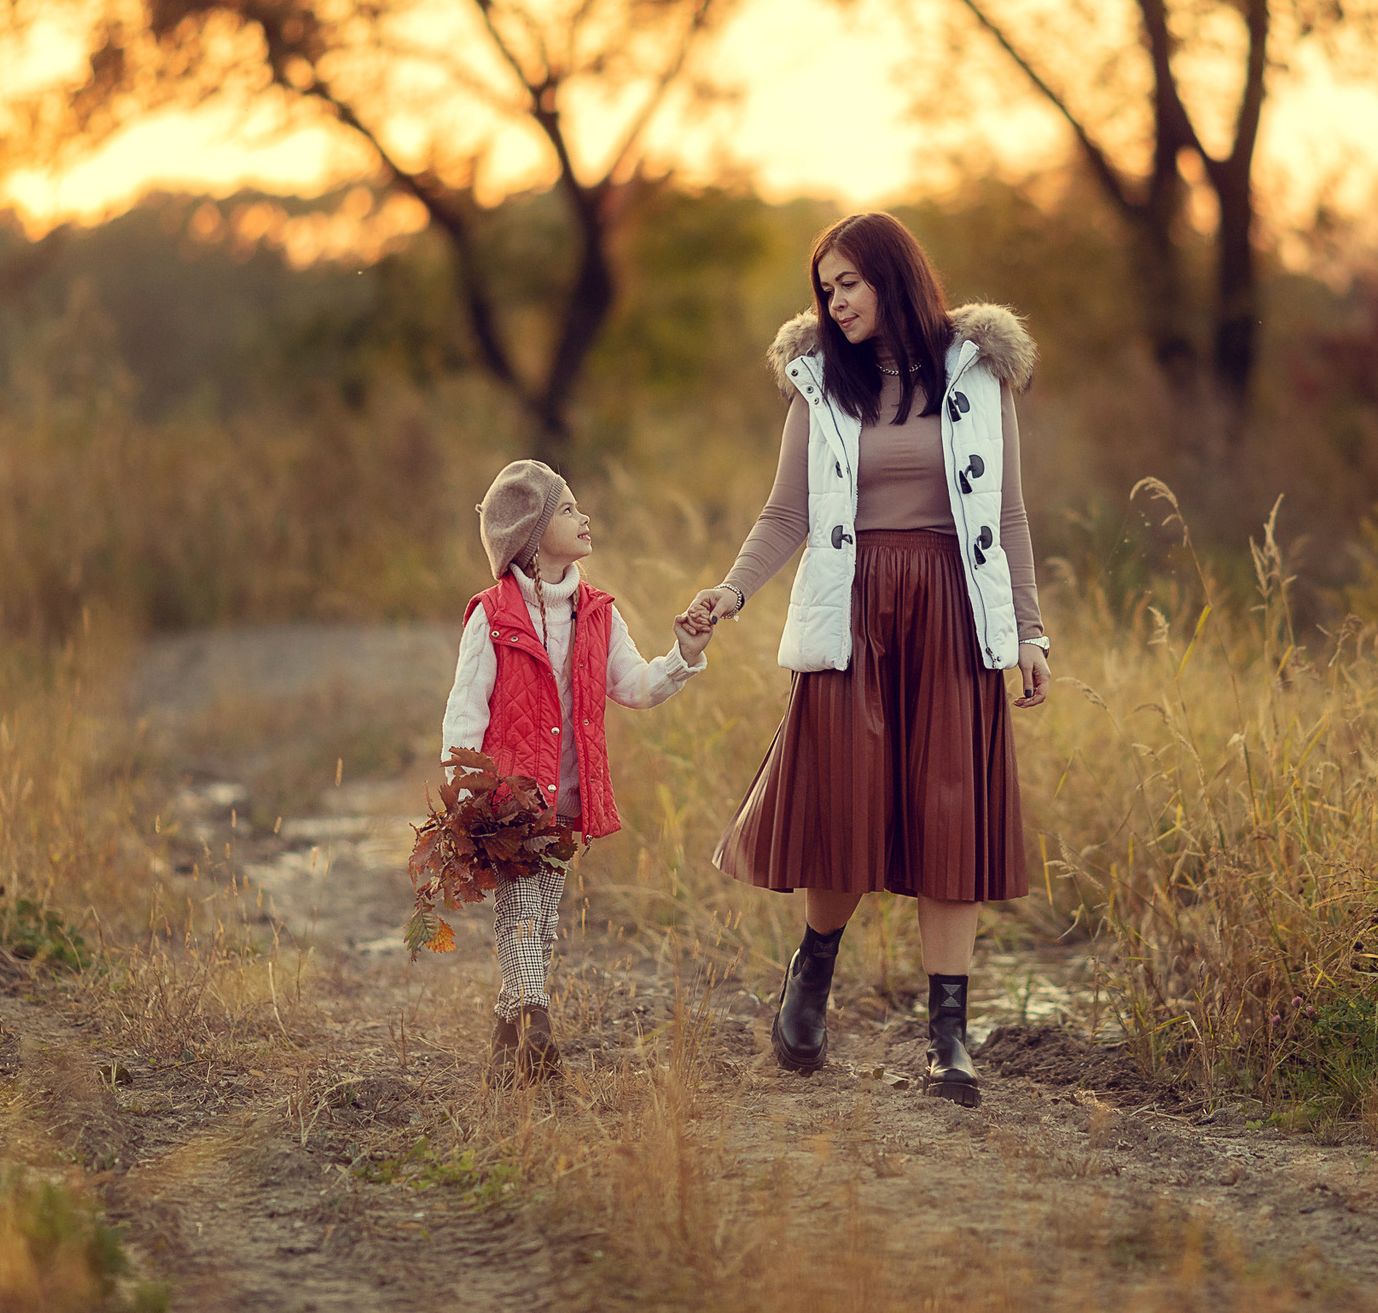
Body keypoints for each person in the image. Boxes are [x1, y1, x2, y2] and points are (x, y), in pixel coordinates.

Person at [686, 212, 1050, 1108]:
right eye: (826, 288)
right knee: (848, 799)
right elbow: (786, 515)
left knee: (949, 815)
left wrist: (1030, 633)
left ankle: (949, 1039)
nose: (835, 300)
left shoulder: (977, 375)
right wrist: (729, 594)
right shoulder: (822, 384)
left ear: (893, 275)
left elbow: (1007, 516)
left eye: (848, 282)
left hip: (953, 616)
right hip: (852, 610)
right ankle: (813, 967)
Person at [440, 458, 714, 1081]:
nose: (583, 517)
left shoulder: (597, 612)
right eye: (567, 509)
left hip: (570, 796)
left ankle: (510, 1029)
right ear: (531, 539)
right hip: (507, 801)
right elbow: (465, 707)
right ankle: (533, 1024)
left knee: (541, 908)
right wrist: (462, 789)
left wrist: (684, 656)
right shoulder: (492, 614)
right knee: (521, 906)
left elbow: (636, 687)